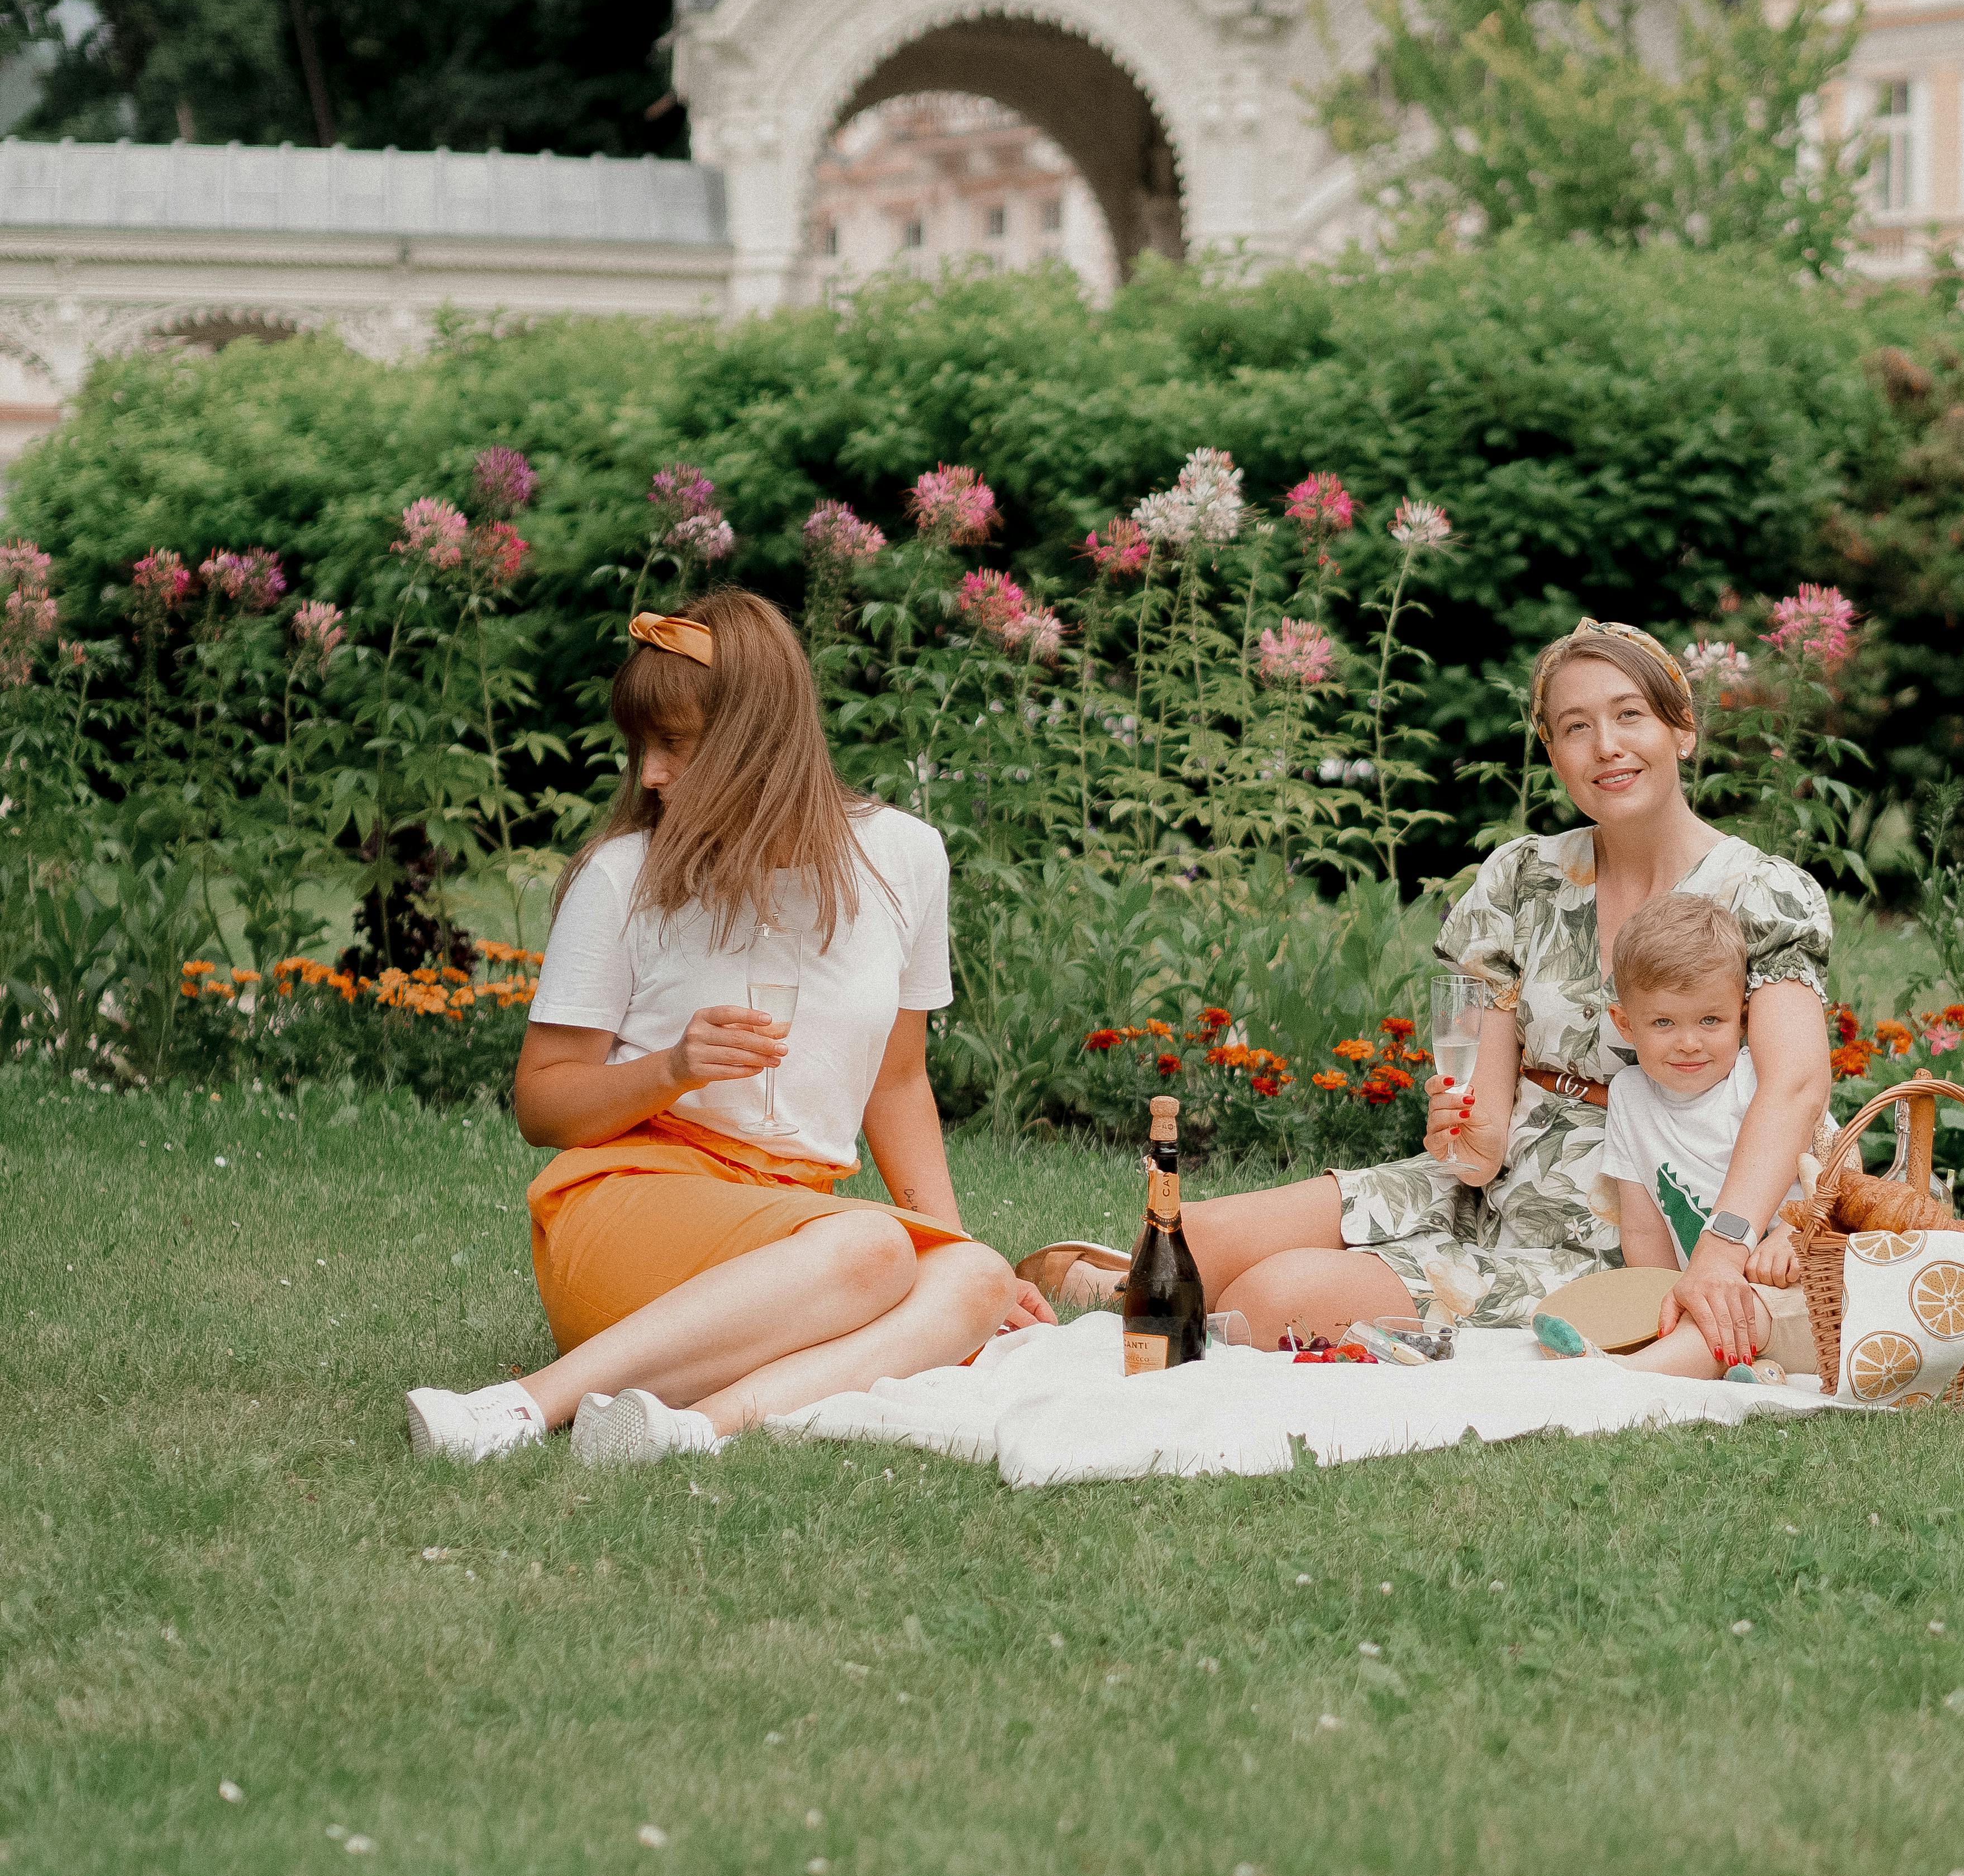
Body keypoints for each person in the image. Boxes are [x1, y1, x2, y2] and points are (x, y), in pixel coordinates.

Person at [1059, 617, 1834, 1358]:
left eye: (1630, 715)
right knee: (1190, 1238)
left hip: (1637, 1220)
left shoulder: (1763, 892)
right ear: (1553, 753)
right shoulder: (1520, 879)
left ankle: (1179, 1305)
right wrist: (1463, 1137)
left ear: (1682, 729)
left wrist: (1724, 1247)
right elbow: (1480, 1138)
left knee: (1276, 1295)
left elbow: (1795, 1085)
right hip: (1500, 1181)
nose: (1607, 747)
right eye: (1574, 728)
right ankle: (1129, 1290)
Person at [402, 590, 1047, 1467]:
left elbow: (897, 1083)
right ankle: (515, 1409)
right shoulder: (623, 876)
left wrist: (959, 1245)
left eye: (674, 744)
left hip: (788, 1238)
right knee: (872, 1246)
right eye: (643, 748)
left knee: (972, 1277)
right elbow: (543, 1107)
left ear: (757, 741)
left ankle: (692, 1429)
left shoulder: (904, 859)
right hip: (631, 1199)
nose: (650, 776)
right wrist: (670, 1068)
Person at [1591, 891, 1820, 1380]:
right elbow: (1643, 1226)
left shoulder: (1757, 1081)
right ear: (1625, 1024)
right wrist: (1663, 1304)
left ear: (1743, 1016)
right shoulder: (1630, 1097)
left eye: (1710, 1020)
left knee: (1738, 1318)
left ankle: (1612, 1384)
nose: (1689, 1042)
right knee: (1689, 1322)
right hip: (1710, 1293)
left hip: (1801, 1290)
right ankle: (1725, 1369)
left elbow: (1847, 1166)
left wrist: (1797, 1232)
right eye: (1663, 1022)